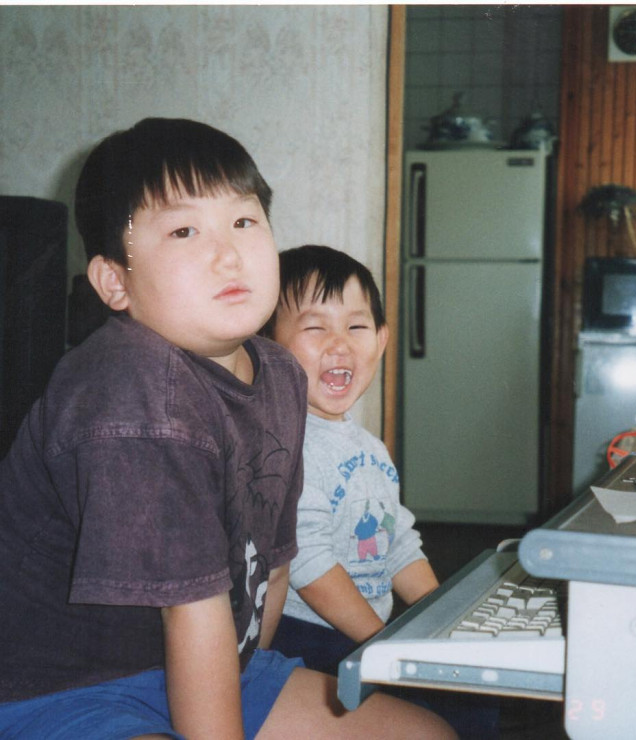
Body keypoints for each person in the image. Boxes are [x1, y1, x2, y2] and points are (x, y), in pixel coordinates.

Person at [0, 119, 456, 740]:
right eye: (184, 230)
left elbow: (271, 567)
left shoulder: (280, 375)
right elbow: (192, 612)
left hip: (204, 658)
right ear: (115, 281)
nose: (229, 253)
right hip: (56, 688)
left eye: (244, 221)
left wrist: (249, 682)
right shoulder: (133, 392)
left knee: (427, 734)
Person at [262, 245, 440, 672]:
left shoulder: (370, 449)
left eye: (356, 326)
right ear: (267, 346)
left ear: (381, 341)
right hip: (306, 638)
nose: (339, 343)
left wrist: (442, 622)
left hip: (361, 631)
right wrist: (383, 645)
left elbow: (397, 542)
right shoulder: (286, 445)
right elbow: (308, 564)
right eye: (315, 327)